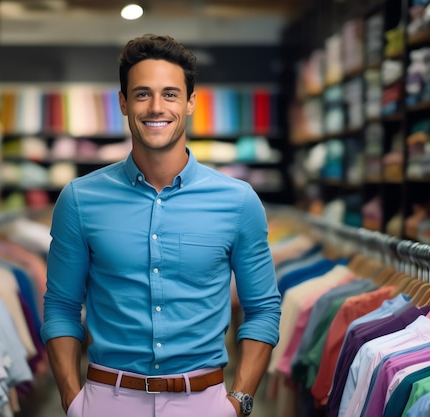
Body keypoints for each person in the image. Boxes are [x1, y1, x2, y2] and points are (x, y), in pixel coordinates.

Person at [41, 33, 281, 417]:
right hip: (106, 400)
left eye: (170, 94)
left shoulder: (238, 201)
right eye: (141, 94)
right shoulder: (79, 199)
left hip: (205, 402)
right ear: (122, 102)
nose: (156, 107)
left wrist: (239, 403)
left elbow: (263, 309)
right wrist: (73, 401)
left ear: (190, 103)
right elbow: (61, 306)